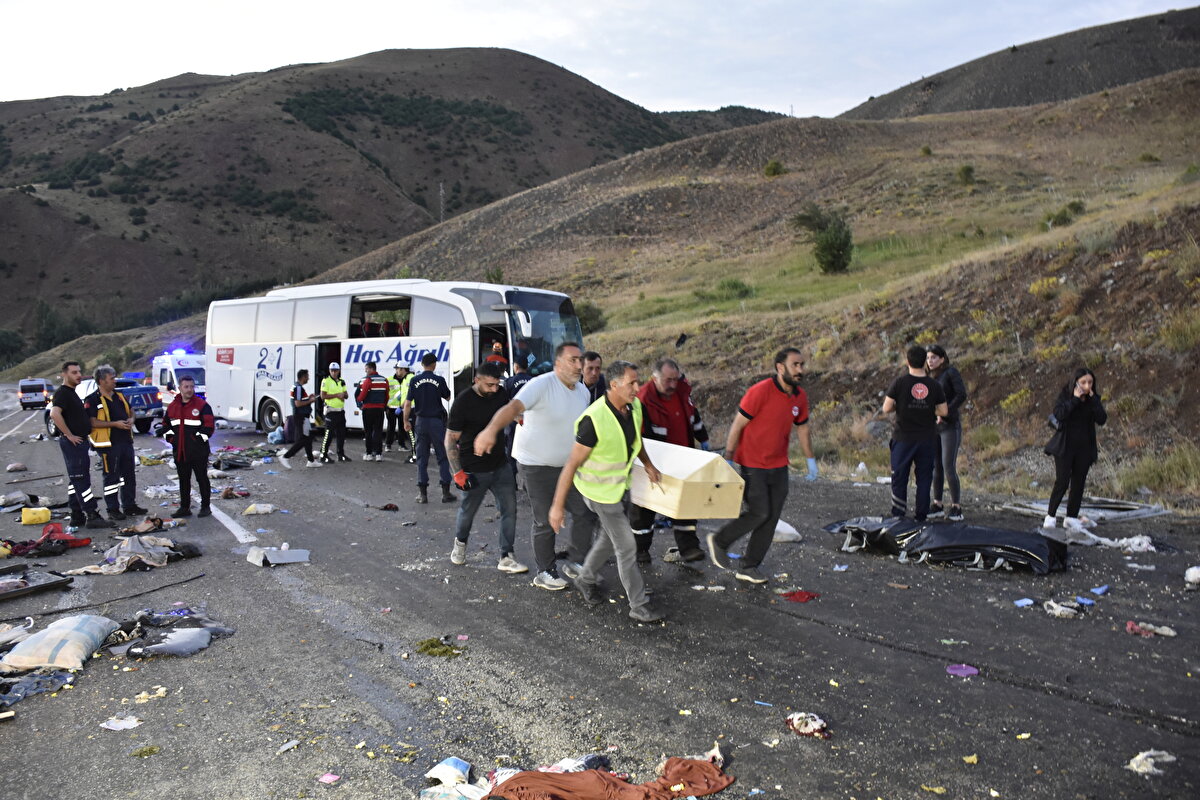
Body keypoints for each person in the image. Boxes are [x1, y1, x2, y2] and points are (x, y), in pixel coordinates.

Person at [473, 342, 598, 590]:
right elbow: (512, 408)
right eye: (573, 360)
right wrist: (490, 430)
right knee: (545, 519)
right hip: (536, 465)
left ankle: (575, 561)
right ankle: (545, 571)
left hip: (568, 466)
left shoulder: (582, 391)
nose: (578, 365)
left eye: (580, 360)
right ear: (558, 363)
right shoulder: (541, 385)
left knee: (584, 512)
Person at [550, 361, 664, 622]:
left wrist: (648, 465)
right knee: (626, 546)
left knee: (608, 539)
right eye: (631, 383)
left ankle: (585, 578)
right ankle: (639, 605)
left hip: (618, 489)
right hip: (598, 493)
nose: (638, 387)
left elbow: (635, 439)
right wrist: (557, 507)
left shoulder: (633, 408)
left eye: (638, 381)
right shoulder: (594, 419)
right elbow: (571, 465)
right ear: (613, 385)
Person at [708, 348, 817, 584]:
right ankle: (720, 540)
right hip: (753, 463)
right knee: (760, 512)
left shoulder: (799, 396)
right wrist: (728, 456)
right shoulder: (760, 392)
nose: (800, 370)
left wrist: (811, 460)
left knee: (771, 517)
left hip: (779, 464)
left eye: (802, 365)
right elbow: (738, 424)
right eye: (795, 365)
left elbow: (804, 428)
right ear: (780, 368)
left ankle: (748, 567)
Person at [445, 362, 527, 574]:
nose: (494, 389)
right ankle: (460, 545)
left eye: (496, 384)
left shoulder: (499, 393)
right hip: (474, 468)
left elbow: (511, 409)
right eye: (489, 385)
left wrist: (520, 418)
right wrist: (458, 472)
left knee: (510, 509)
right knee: (468, 512)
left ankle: (506, 556)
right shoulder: (463, 402)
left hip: (501, 465)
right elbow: (450, 439)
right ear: (477, 380)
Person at [629, 357, 711, 564]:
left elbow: (694, 417)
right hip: (654, 459)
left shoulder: (682, 392)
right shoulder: (643, 400)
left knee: (685, 503)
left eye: (675, 379)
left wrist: (704, 440)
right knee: (644, 509)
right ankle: (639, 550)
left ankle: (689, 548)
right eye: (668, 380)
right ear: (654, 378)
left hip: (683, 458)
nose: (673, 384)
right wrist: (647, 464)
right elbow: (638, 436)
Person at [881, 345, 948, 523]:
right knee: (924, 478)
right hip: (926, 438)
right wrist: (927, 408)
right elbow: (943, 411)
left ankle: (898, 515)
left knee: (900, 476)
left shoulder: (900, 382)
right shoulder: (934, 385)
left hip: (903, 438)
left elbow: (886, 408)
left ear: (908, 361)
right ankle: (921, 517)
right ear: (924, 361)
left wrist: (901, 405)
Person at [1044, 368, 1107, 533]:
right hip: (1065, 447)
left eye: (1090, 382)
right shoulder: (1066, 395)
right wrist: (1075, 399)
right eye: (1084, 382)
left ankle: (1071, 518)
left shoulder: (1093, 399)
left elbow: (1102, 419)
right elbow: (1059, 414)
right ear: (1076, 382)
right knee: (1062, 482)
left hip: (1084, 448)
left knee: (1078, 484)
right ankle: (1050, 516)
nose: (1087, 386)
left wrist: (1093, 400)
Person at [50, 361, 110, 529]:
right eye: (74, 372)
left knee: (75, 480)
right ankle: (91, 514)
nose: (78, 375)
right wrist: (69, 435)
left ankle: (76, 515)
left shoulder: (72, 393)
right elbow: (55, 414)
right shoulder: (63, 393)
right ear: (64, 374)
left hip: (80, 442)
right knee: (81, 480)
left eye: (79, 372)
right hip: (73, 444)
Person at [85, 364, 147, 521]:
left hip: (126, 442)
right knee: (111, 477)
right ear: (101, 381)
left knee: (128, 475)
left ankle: (129, 506)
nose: (115, 381)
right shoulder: (92, 399)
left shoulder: (119, 396)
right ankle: (112, 509)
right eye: (111, 379)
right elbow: (91, 422)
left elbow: (131, 410)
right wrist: (115, 424)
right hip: (108, 445)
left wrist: (131, 419)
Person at [156, 375, 215, 518]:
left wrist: (196, 440)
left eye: (192, 386)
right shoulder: (172, 407)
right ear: (180, 388)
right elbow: (165, 426)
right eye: (186, 387)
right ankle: (184, 507)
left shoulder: (202, 406)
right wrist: (172, 440)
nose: (190, 390)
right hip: (180, 451)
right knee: (183, 480)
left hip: (198, 451)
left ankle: (205, 506)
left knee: (202, 478)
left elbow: (209, 428)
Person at [925, 345, 967, 521]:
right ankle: (937, 504)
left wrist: (946, 412)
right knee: (936, 466)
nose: (930, 361)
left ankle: (956, 507)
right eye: (928, 358)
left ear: (942, 358)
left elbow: (961, 394)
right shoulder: (928, 376)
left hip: (949, 425)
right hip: (934, 426)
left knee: (948, 465)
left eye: (934, 357)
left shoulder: (950, 373)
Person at [404, 352, 453, 503]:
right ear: (434, 365)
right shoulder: (439, 379)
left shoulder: (414, 380)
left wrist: (406, 420)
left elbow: (407, 403)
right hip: (436, 422)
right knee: (442, 457)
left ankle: (423, 494)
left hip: (421, 421)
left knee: (421, 457)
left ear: (422, 364)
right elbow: (448, 396)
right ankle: (445, 493)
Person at [278, 369, 322, 469]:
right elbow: (297, 404)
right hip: (301, 417)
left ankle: (311, 461)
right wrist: (310, 400)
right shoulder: (298, 388)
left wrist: (309, 398)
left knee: (308, 438)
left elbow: (300, 401)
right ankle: (285, 456)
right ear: (303, 377)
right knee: (303, 439)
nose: (308, 378)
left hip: (303, 417)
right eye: (307, 376)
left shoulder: (297, 387)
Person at [356, 361, 390, 461]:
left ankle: (369, 453)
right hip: (379, 409)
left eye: (366, 369)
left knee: (368, 431)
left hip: (368, 409)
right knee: (378, 431)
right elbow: (387, 395)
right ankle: (379, 454)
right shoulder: (384, 380)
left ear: (371, 369)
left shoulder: (367, 380)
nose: (365, 371)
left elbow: (361, 395)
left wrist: (359, 403)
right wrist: (383, 405)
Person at [319, 363, 351, 463]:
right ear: (329, 371)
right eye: (332, 370)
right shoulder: (326, 381)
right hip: (330, 411)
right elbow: (323, 396)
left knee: (341, 434)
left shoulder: (342, 381)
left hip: (340, 411)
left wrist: (343, 395)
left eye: (335, 370)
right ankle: (323, 455)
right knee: (328, 434)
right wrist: (337, 395)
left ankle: (340, 454)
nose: (333, 372)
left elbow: (346, 395)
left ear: (338, 371)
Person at [385, 364, 410, 453]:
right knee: (390, 427)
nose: (397, 371)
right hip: (391, 407)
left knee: (402, 427)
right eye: (396, 369)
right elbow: (385, 393)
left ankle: (401, 445)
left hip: (402, 408)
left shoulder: (406, 380)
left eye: (398, 369)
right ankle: (388, 445)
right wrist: (385, 406)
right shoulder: (389, 380)